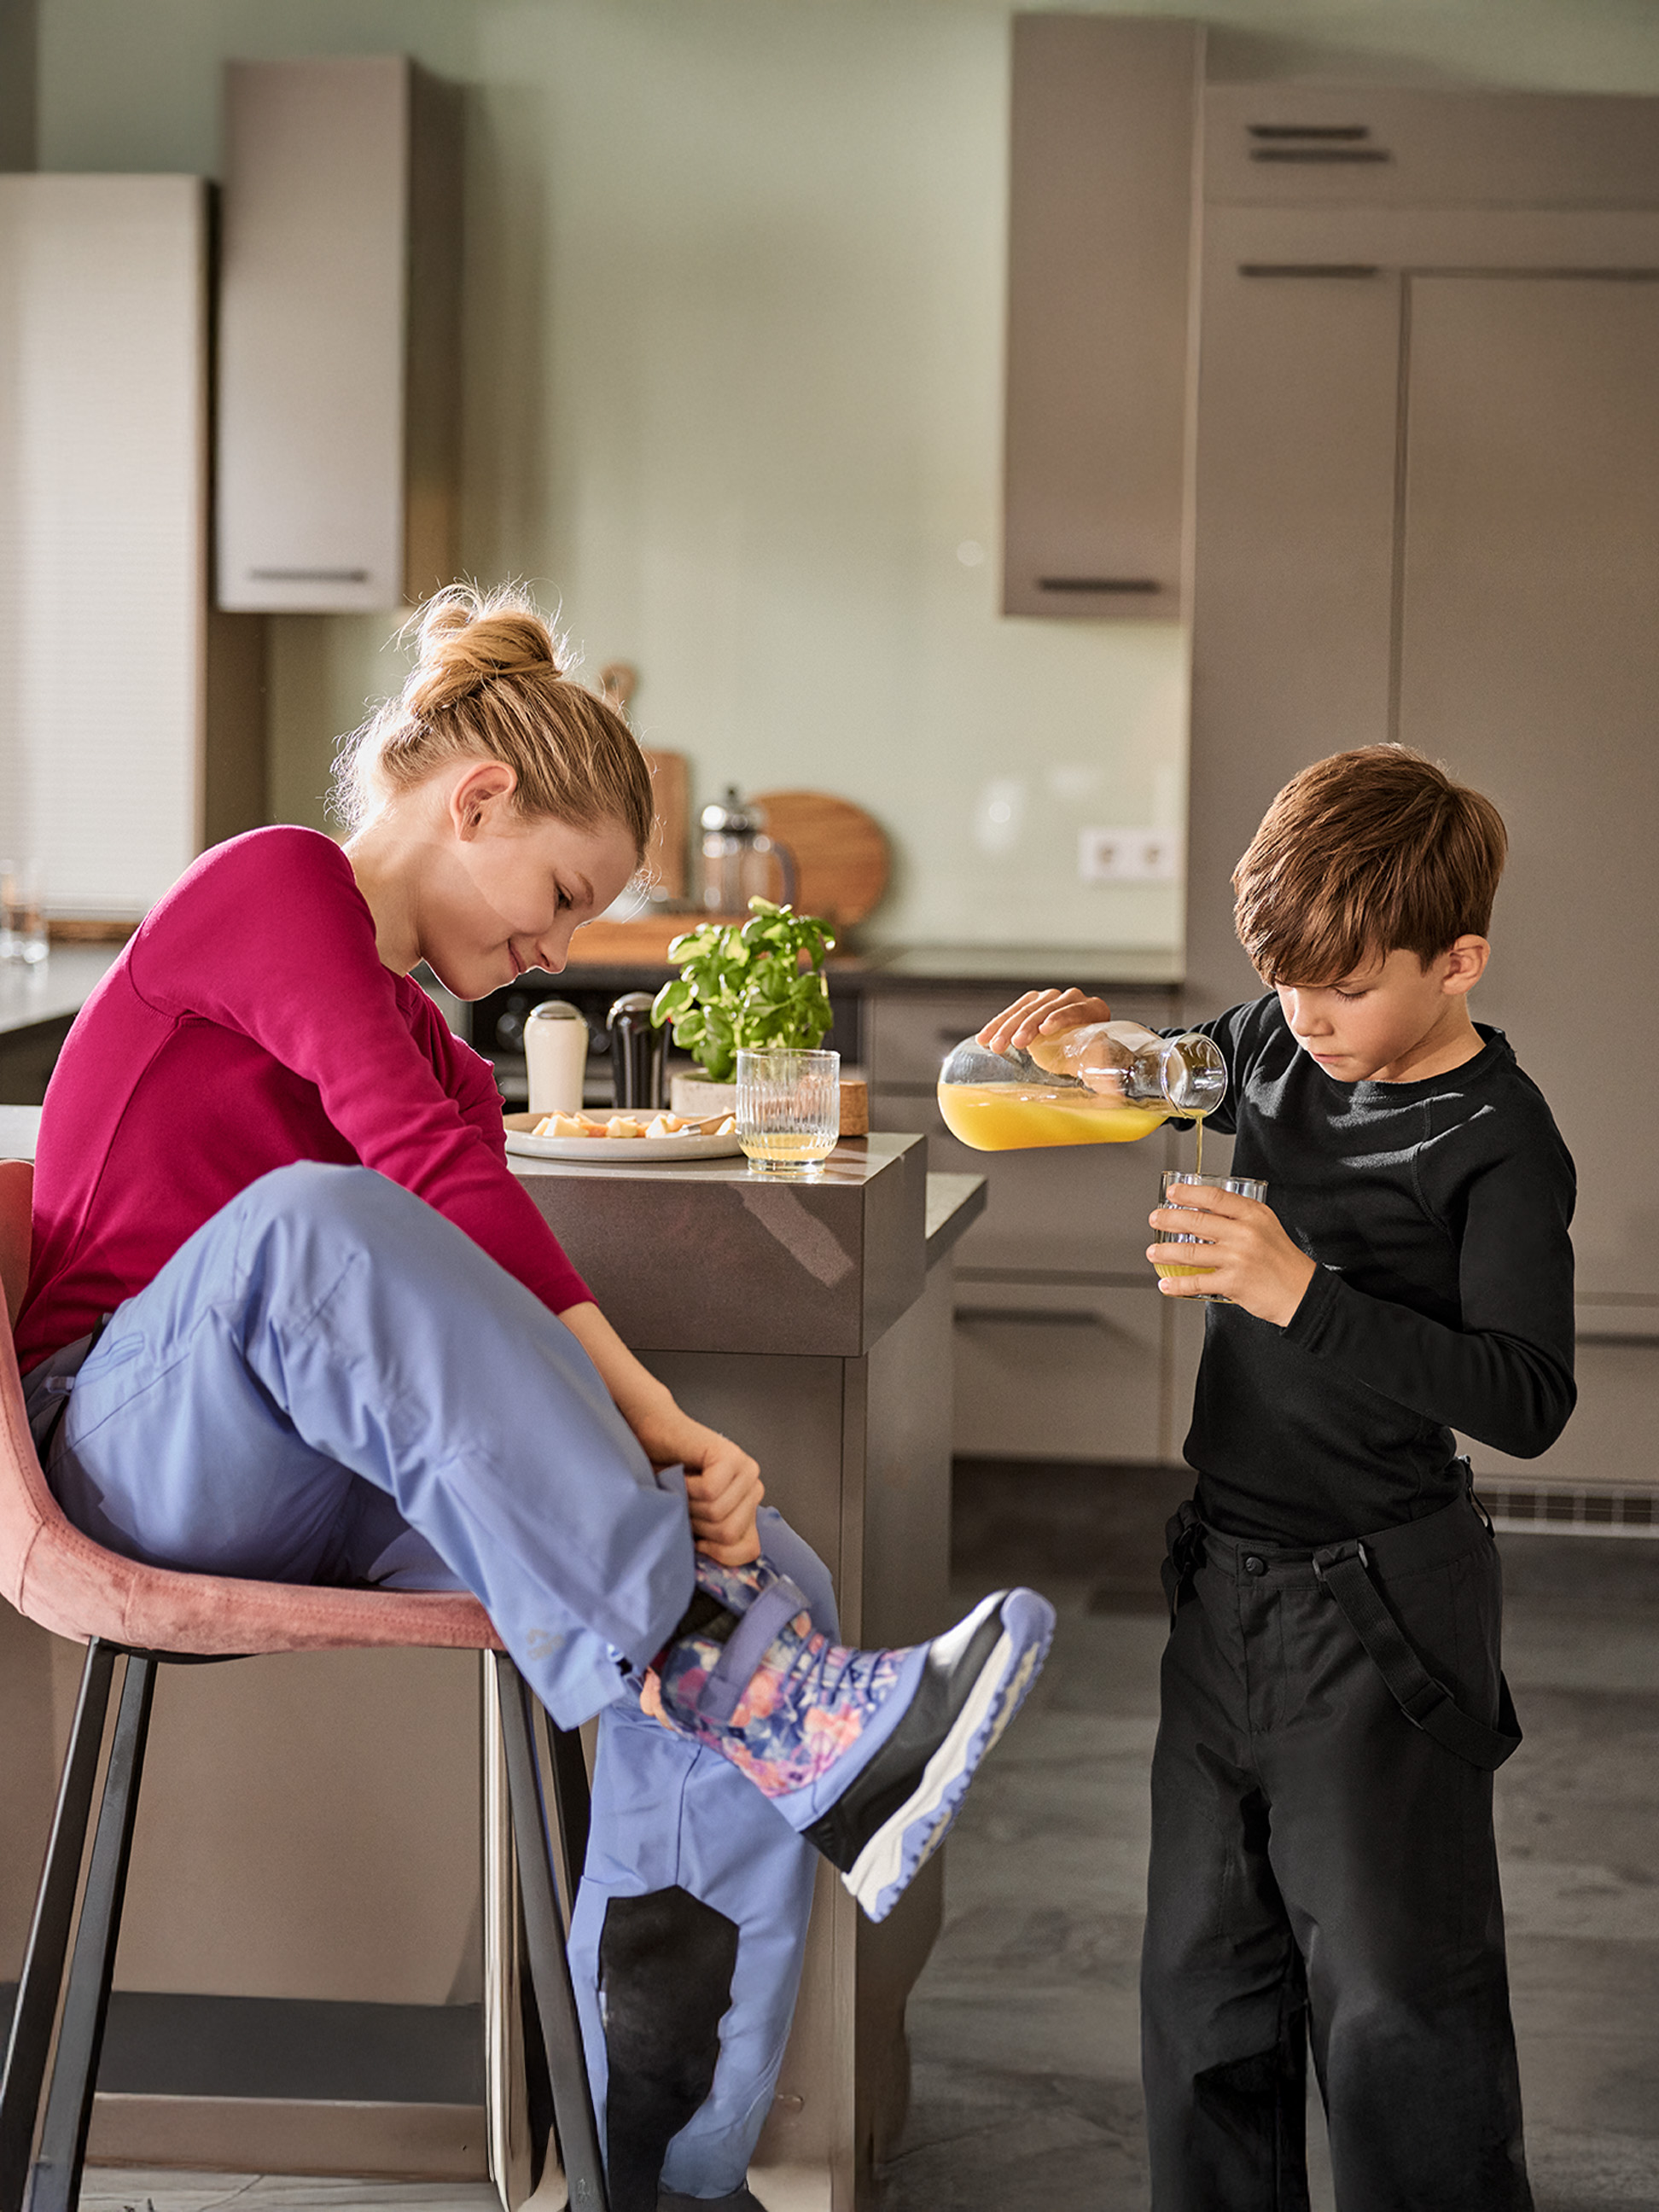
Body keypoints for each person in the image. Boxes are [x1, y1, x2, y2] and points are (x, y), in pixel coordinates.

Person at [16, 584, 1054, 2212]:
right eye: (561, 895)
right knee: (314, 1227)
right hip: (123, 1443)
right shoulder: (269, 884)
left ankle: (658, 2143)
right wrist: (657, 1417)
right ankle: (763, 1692)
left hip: (320, 1479)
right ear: (473, 800)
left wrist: (685, 1487)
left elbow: (475, 1304)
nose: (559, 951)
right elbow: (424, 1192)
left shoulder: (434, 1045)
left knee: (762, 1571)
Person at [981, 745, 1574, 2212]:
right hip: (1222, 1587)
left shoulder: (1498, 1141)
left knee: (1392, 2011)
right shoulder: (1284, 1040)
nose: (1306, 1026)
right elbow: (1195, 1062)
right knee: (1204, 1994)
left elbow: (1529, 1397)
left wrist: (1300, 1292)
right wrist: (1102, 1057)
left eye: (1347, 991)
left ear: (1460, 961)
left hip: (1386, 1608)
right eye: (1287, 986)